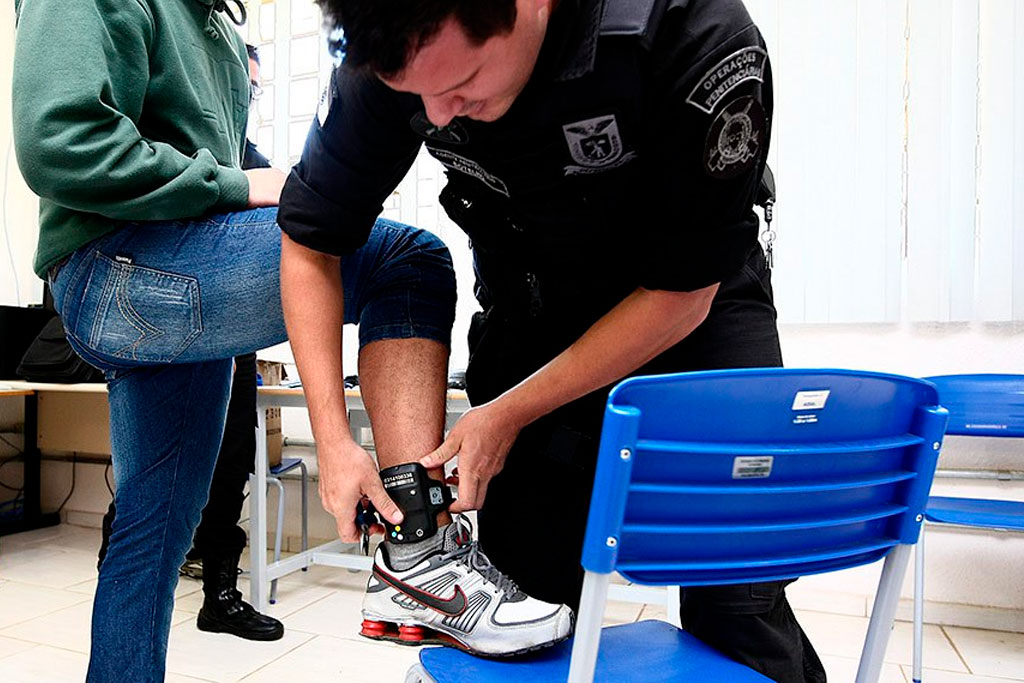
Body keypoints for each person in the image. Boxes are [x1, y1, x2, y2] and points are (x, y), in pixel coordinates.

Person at [277, 0, 825, 681]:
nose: (438, 115)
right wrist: (332, 437)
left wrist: (507, 412)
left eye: (462, 84)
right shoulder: (394, 55)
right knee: (524, 616)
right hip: (532, 305)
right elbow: (308, 241)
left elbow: (683, 294)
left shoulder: (696, 35)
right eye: (418, 95)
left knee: (738, 604)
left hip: (693, 312)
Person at [13, 1, 460, 680]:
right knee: (408, 260)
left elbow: (223, 162)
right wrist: (235, 182)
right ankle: (424, 556)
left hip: (171, 261)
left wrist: (274, 180)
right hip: (120, 266)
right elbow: (60, 141)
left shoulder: (214, 20)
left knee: (155, 531)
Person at [95, 43, 281, 643]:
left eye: (254, 87)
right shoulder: (179, 120)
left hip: (232, 325)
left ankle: (220, 595)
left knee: (230, 463)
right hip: (163, 299)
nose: (246, 94)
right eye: (241, 81)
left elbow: (277, 185)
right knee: (148, 483)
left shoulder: (240, 145)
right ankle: (121, 575)